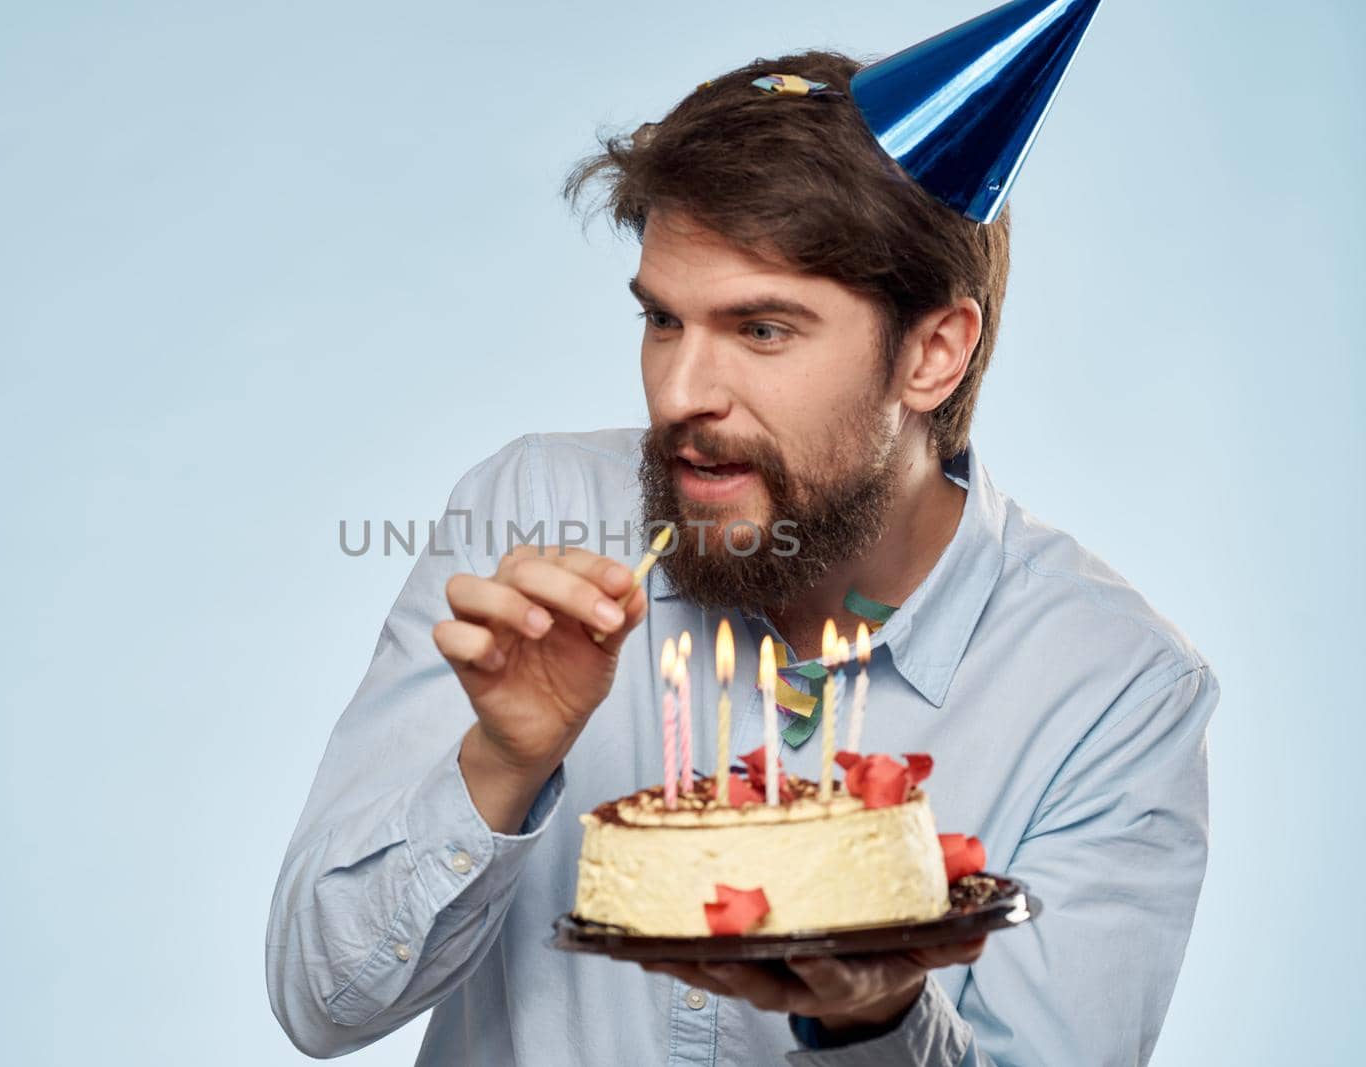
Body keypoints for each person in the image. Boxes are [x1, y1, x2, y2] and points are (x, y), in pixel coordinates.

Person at [266, 50, 1218, 1065]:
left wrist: (872, 1018)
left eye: (761, 328)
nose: (679, 393)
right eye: (661, 319)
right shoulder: (534, 514)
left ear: (931, 351)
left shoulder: (1111, 687)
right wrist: (501, 761)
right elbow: (322, 1001)